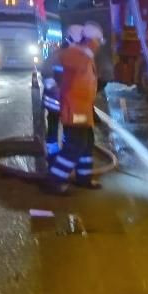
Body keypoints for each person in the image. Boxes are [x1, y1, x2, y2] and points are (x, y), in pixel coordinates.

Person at [45, 22, 105, 194]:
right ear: (91, 40)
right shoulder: (76, 54)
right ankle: (55, 181)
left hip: (83, 110)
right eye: (97, 41)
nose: (99, 45)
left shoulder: (86, 56)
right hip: (75, 111)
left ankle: (83, 178)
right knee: (75, 145)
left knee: (86, 144)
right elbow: (61, 60)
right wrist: (83, 50)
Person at [40, 23, 83, 157]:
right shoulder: (59, 55)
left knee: (70, 126)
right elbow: (46, 70)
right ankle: (53, 151)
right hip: (56, 100)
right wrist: (52, 85)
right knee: (55, 124)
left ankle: (66, 150)